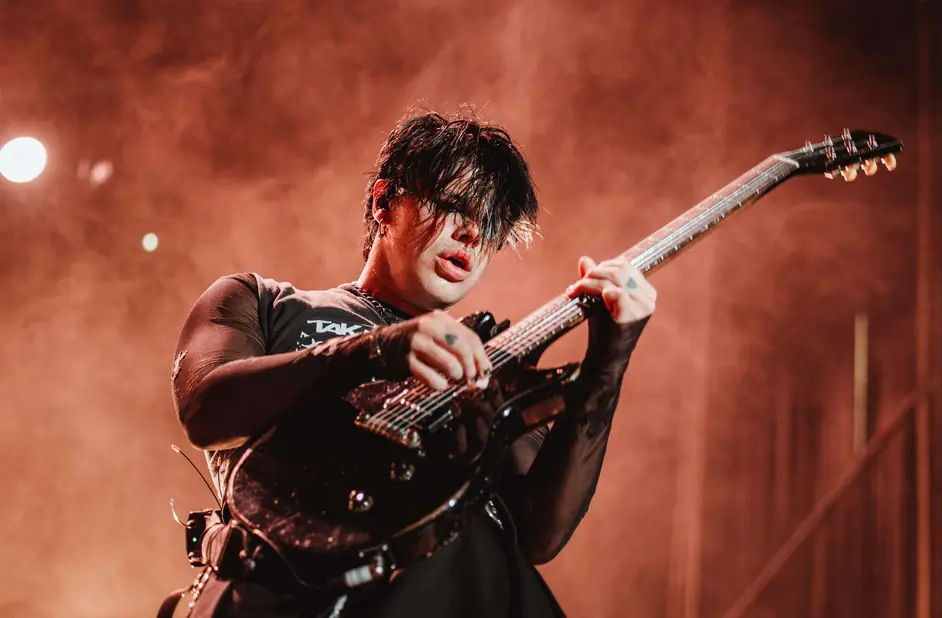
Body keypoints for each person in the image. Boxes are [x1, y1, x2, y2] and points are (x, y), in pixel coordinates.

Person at [165, 110, 657, 618]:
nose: (471, 235)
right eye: (453, 206)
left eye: (490, 226)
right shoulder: (260, 301)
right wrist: (377, 350)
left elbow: (538, 535)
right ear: (383, 202)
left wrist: (608, 361)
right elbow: (206, 408)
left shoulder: (479, 369)